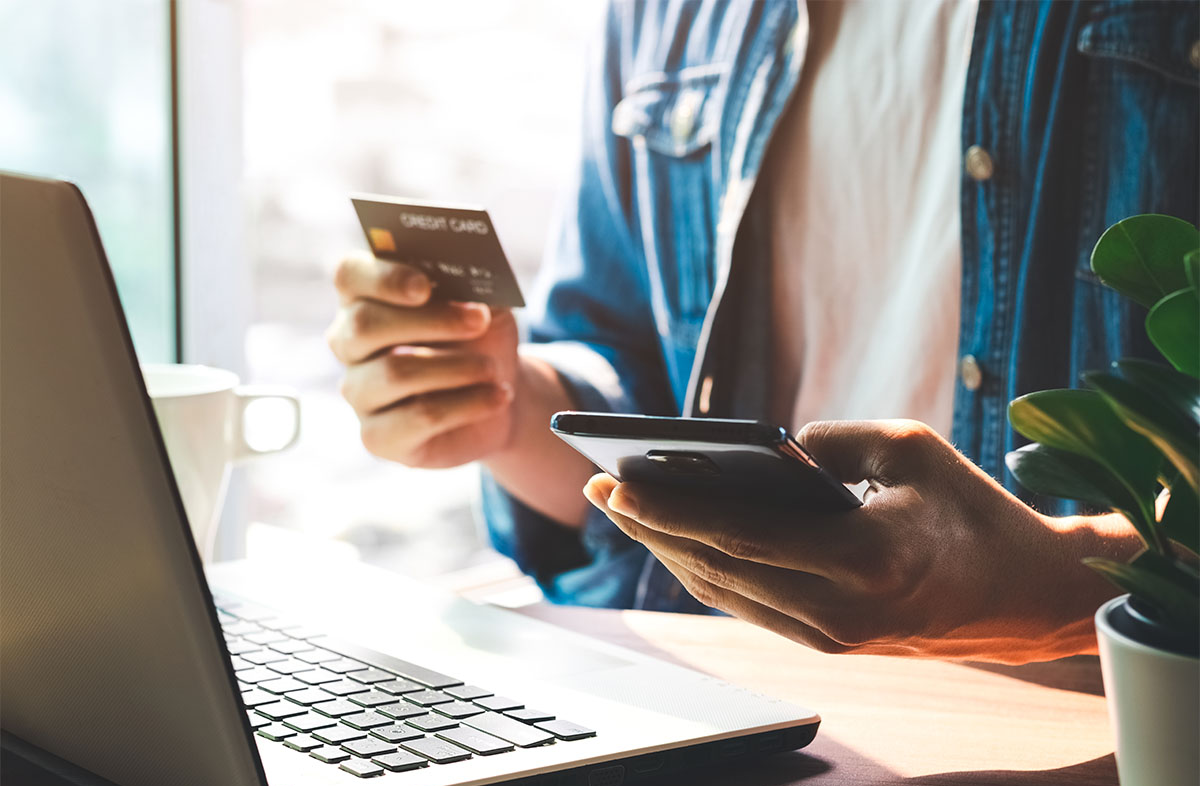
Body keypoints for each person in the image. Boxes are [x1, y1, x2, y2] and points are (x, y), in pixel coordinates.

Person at [327, 0, 1198, 665]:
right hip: (743, 709)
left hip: (1104, 739)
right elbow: (627, 367)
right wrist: (504, 411)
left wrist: (1052, 583)